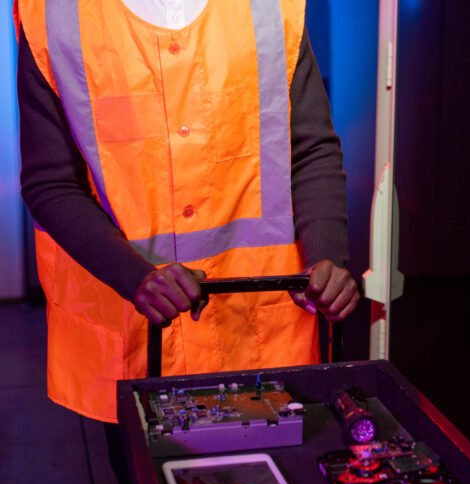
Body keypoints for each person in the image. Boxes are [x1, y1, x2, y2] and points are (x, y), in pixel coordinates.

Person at [16, 0, 357, 437]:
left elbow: (310, 148)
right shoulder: (52, 15)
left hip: (261, 331)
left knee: (280, 477)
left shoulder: (272, 9)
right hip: (136, 338)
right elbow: (51, 183)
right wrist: (134, 275)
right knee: (153, 478)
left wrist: (327, 255)